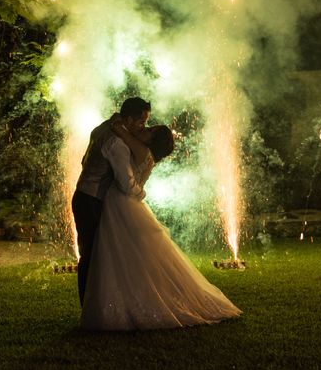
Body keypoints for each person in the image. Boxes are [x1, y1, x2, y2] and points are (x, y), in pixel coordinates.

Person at [81, 121, 242, 331]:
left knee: (118, 253)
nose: (143, 129)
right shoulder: (148, 155)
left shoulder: (141, 149)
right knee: (127, 255)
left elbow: (122, 135)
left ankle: (122, 304)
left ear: (153, 140)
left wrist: (118, 125)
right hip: (122, 205)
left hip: (121, 204)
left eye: (149, 130)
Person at [72, 97, 151, 306]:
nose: (143, 127)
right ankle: (92, 306)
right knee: (92, 256)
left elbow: (84, 160)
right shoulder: (117, 144)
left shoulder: (101, 128)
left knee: (89, 255)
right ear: (128, 119)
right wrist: (141, 194)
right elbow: (126, 183)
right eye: (141, 122)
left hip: (82, 196)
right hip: (92, 200)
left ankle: (92, 305)